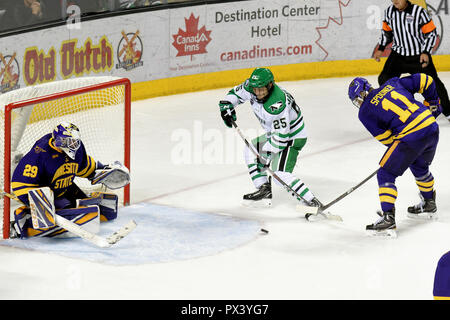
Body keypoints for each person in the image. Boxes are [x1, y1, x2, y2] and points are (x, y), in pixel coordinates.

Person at [348, 73, 441, 236]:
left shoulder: (364, 112)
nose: (359, 103)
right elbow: (426, 80)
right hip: (431, 127)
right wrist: (432, 104)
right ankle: (429, 203)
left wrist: (400, 153)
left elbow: (386, 139)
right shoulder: (392, 83)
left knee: (385, 174)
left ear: (362, 93)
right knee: (419, 164)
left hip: (411, 135)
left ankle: (388, 219)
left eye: (357, 98)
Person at [219, 67, 321, 211]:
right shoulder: (252, 87)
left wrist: (266, 155)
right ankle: (264, 189)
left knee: (279, 175)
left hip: (293, 137)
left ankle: (312, 201)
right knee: (250, 151)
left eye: (262, 89)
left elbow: (282, 136)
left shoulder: (276, 103)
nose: (258, 93)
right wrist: (227, 105)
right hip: (275, 134)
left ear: (270, 85)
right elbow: (235, 94)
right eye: (256, 89)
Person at [10, 122, 130, 239]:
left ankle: (67, 211)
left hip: (65, 187)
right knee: (73, 214)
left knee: (108, 209)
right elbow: (20, 183)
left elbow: (83, 165)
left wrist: (100, 171)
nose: (75, 145)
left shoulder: (77, 149)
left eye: (75, 141)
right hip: (48, 194)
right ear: (60, 141)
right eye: (70, 142)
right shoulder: (39, 155)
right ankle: (23, 221)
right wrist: (38, 204)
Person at [373, 0, 450, 121]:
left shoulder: (419, 12)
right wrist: (381, 48)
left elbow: (431, 34)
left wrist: (425, 52)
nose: (395, 0)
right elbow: (386, 32)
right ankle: (398, 111)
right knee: (384, 80)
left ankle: (448, 111)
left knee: (434, 83)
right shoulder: (389, 12)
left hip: (418, 56)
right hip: (398, 55)